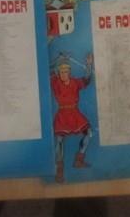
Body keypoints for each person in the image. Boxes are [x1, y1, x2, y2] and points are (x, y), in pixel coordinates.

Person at [50, 53, 94, 183]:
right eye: (61, 72)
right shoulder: (56, 83)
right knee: (59, 140)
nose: (63, 74)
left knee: (88, 133)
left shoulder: (75, 82)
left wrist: (89, 65)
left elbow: (87, 79)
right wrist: (58, 59)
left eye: (66, 72)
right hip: (62, 114)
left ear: (69, 72)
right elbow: (49, 69)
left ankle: (79, 160)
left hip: (74, 113)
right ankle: (59, 170)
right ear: (59, 73)